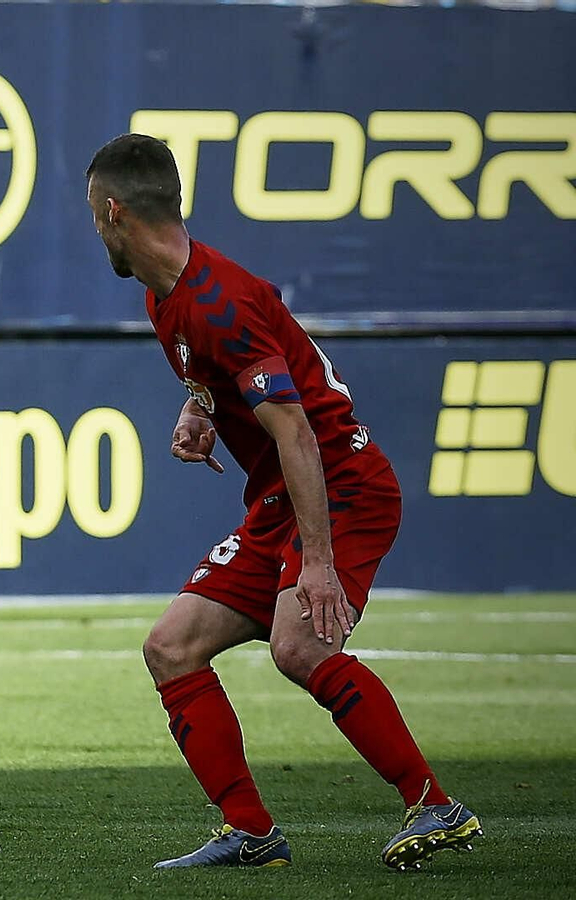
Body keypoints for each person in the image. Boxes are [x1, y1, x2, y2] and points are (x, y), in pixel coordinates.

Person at [84, 134, 480, 871]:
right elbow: (219, 376)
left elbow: (296, 430)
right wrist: (199, 408)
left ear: (113, 212)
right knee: (171, 649)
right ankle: (252, 834)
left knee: (299, 646)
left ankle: (435, 805)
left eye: (92, 217)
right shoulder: (163, 295)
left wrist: (319, 564)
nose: (94, 231)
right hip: (277, 500)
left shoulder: (220, 302)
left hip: (340, 488)